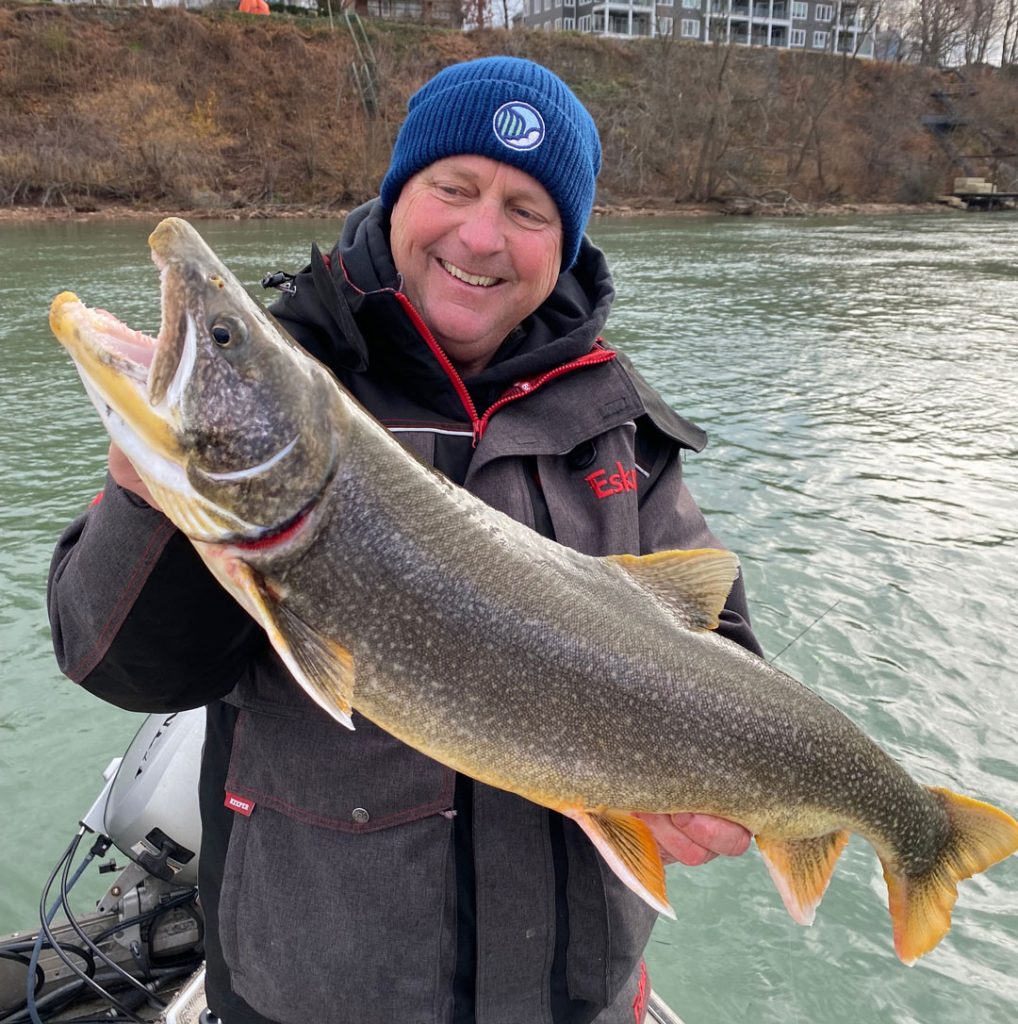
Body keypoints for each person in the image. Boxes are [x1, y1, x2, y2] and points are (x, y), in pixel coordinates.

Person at [48, 57, 762, 1024]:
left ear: (566, 243)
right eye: (454, 189)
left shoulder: (619, 422)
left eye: (527, 209)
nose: (481, 235)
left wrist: (714, 775)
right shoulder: (301, 366)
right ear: (398, 198)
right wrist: (147, 490)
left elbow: (719, 643)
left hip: (573, 1000)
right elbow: (124, 666)